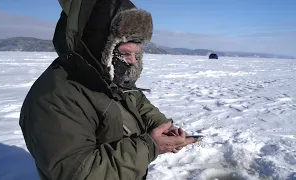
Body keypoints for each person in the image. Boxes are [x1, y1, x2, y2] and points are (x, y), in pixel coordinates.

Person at [19, 0, 200, 179]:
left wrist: (162, 127)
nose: (133, 61)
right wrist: (151, 146)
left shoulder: (109, 77)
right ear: (99, 48)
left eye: (136, 54)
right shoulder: (54, 99)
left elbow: (137, 101)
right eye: (125, 53)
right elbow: (81, 174)